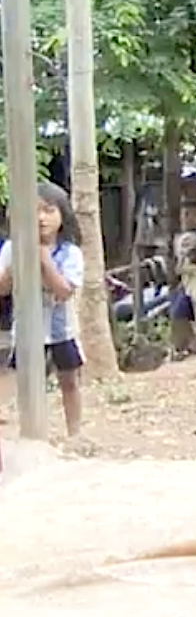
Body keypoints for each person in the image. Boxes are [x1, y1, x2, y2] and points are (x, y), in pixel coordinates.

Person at [0, 182, 87, 441]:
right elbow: (2, 288)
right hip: (27, 330)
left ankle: (75, 434)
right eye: (33, 211)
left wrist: (44, 261)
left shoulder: (70, 253)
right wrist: (16, 265)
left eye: (48, 210)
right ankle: (32, 432)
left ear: (62, 215)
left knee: (69, 381)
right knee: (29, 384)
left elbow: (64, 291)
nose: (40, 218)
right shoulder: (10, 249)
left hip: (61, 329)